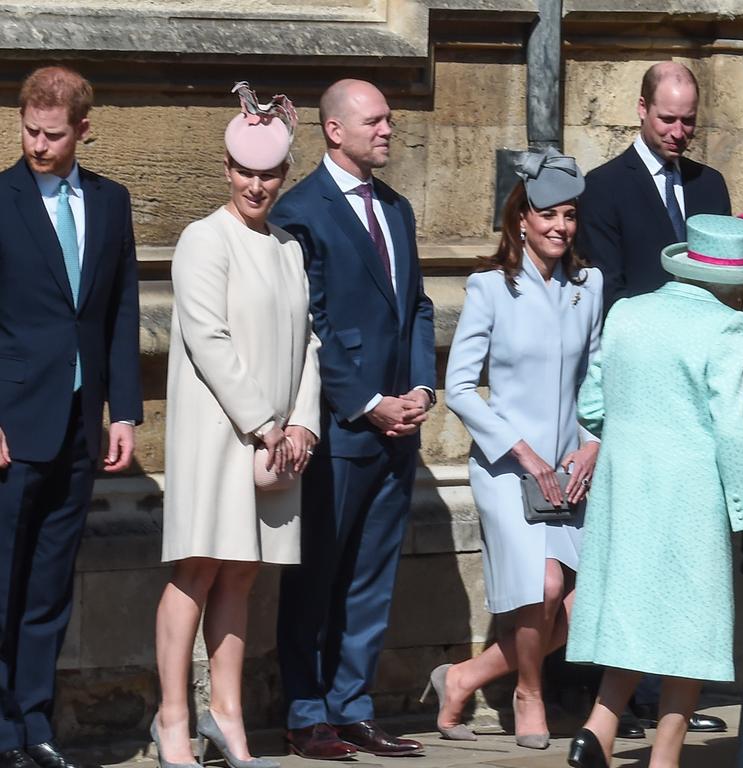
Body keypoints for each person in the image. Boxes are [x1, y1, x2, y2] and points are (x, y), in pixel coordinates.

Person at [564, 213, 743, 768]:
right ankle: (665, 757)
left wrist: (636, 442)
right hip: (692, 492)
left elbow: (591, 404)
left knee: (635, 614)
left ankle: (598, 730)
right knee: (692, 629)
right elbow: (732, 429)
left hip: (625, 487)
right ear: (733, 281)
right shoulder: (727, 327)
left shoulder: (627, 311)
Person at [152, 83, 320, 768]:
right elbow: (208, 339)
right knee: (197, 567)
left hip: (276, 440)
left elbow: (310, 341)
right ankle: (171, 719)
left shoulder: (287, 247)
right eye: (245, 171)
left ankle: (227, 715)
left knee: (244, 573)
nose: (257, 184)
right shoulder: (203, 238)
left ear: (284, 175)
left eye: (269, 173)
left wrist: (304, 423)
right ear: (227, 169)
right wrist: (265, 424)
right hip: (220, 435)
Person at [272, 79, 436, 760]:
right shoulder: (301, 211)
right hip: (340, 429)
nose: (388, 130)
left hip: (401, 428)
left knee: (372, 577)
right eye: (374, 121)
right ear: (333, 130)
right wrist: (369, 403)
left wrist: (422, 387)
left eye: (389, 120)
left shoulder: (395, 208)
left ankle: (353, 704)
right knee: (317, 575)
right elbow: (312, 323)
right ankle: (307, 711)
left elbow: (419, 307)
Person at [431, 148, 602, 749]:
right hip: (508, 469)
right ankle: (528, 693)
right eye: (547, 214)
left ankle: (463, 678)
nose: (560, 227)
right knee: (547, 587)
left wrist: (593, 446)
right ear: (521, 219)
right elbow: (459, 388)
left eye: (570, 215)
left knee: (582, 604)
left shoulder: (589, 286)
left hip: (570, 470)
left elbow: (597, 377)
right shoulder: (489, 288)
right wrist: (520, 450)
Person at [0, 66, 142, 768]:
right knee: (2, 583)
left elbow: (118, 313)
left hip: (82, 428)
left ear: (84, 129)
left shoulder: (112, 204)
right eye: (28, 130)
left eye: (53, 135)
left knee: (50, 588)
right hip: (13, 426)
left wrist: (124, 413)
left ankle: (34, 724)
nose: (37, 144)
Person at [578, 60, 731, 313]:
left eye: (688, 120)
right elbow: (608, 288)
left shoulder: (711, 185)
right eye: (668, 119)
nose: (679, 132)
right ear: (642, 108)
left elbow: (725, 278)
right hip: (638, 342)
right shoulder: (603, 186)